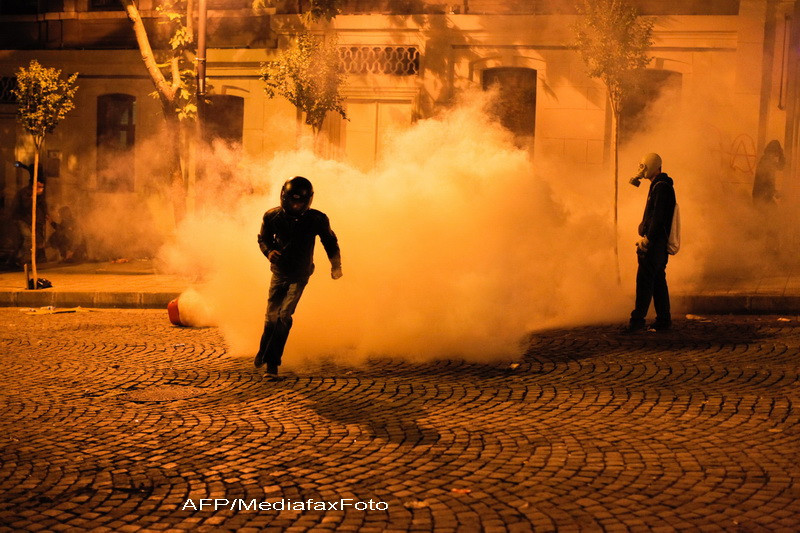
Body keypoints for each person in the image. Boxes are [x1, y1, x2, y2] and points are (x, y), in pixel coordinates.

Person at [254, 176, 343, 379]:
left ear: (308, 201)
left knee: (284, 316)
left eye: (299, 202)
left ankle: (272, 365)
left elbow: (330, 241)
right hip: (279, 272)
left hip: (300, 274)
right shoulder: (272, 216)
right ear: (284, 198)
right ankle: (264, 350)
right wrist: (268, 252)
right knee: (271, 317)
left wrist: (336, 266)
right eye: (292, 201)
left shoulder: (317, 219)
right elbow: (263, 239)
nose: (295, 206)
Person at [626, 152, 676, 332]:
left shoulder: (661, 187)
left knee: (645, 281)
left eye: (644, 166)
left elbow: (658, 217)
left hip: (655, 244)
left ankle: (637, 321)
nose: (641, 170)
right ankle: (664, 319)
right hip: (658, 243)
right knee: (658, 281)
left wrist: (648, 238)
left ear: (654, 167)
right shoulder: (659, 185)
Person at [12, 176, 48, 267]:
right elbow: (25, 206)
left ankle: (16, 259)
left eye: (42, 187)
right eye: (39, 187)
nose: (41, 189)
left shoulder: (40, 195)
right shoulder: (25, 193)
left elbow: (42, 206)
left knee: (36, 241)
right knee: (28, 238)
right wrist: (33, 196)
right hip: (22, 219)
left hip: (32, 220)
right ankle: (24, 260)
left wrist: (45, 215)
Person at [752, 140, 785, 206]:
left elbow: (767, 183)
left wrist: (773, 192)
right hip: (762, 199)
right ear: (771, 152)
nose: (775, 157)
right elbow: (781, 166)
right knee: (774, 213)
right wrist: (782, 154)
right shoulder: (767, 162)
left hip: (761, 198)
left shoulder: (766, 160)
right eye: (775, 154)